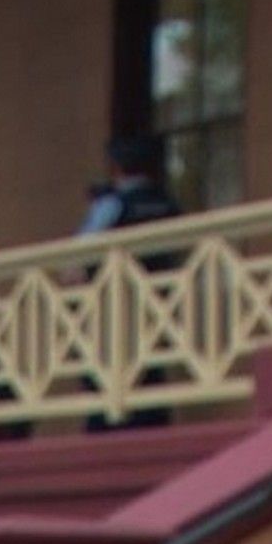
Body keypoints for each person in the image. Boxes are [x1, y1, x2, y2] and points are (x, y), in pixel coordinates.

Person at [77, 135, 182, 431]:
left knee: (105, 376)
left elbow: (79, 252)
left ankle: (109, 425)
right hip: (156, 300)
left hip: (113, 305)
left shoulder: (113, 204)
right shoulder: (168, 203)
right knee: (149, 369)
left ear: (116, 167)